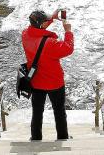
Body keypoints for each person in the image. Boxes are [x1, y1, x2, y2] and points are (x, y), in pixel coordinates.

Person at [21, 10, 74, 141]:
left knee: (37, 112)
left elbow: (38, 30)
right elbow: (68, 48)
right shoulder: (50, 43)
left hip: (36, 81)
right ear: (42, 24)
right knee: (59, 111)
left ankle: (35, 138)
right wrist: (68, 31)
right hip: (54, 83)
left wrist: (52, 18)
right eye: (47, 21)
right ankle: (62, 138)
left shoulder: (25, 35)